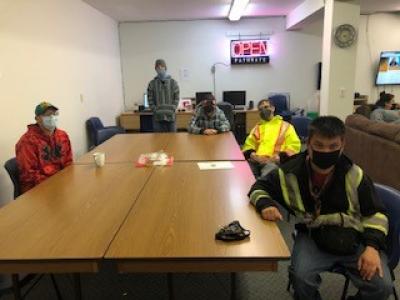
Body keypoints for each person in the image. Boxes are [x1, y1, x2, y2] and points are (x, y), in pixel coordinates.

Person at [248, 116, 392, 300]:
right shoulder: (290, 172)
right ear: (308, 144)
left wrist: (372, 247)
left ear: (343, 145)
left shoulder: (355, 174)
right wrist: (265, 204)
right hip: (313, 235)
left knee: (383, 287)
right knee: (300, 278)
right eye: (320, 145)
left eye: (333, 146)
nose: (326, 151)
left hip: (354, 238)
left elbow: (376, 213)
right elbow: (258, 187)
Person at [16, 102, 72, 193]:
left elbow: (68, 162)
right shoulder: (27, 142)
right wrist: (56, 184)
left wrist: (67, 180)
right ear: (37, 119)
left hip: (61, 184)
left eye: (55, 114)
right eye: (48, 115)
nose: (52, 118)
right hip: (37, 190)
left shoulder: (62, 136)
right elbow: (30, 176)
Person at [242, 99, 301, 178]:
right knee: (243, 175)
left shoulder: (286, 126)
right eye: (261, 109)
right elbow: (248, 145)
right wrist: (252, 155)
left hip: (274, 162)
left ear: (273, 108)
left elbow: (294, 147)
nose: (263, 110)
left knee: (266, 180)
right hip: (256, 161)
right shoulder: (257, 128)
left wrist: (279, 157)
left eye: (266, 107)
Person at [147, 59, 180, 132]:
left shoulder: (173, 83)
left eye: (161, 66)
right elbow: (150, 99)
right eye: (157, 67)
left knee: (173, 139)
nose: (160, 69)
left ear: (165, 67)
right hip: (158, 118)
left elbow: (177, 98)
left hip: (171, 117)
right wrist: (155, 110)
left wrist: (173, 109)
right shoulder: (152, 84)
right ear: (155, 69)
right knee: (158, 140)